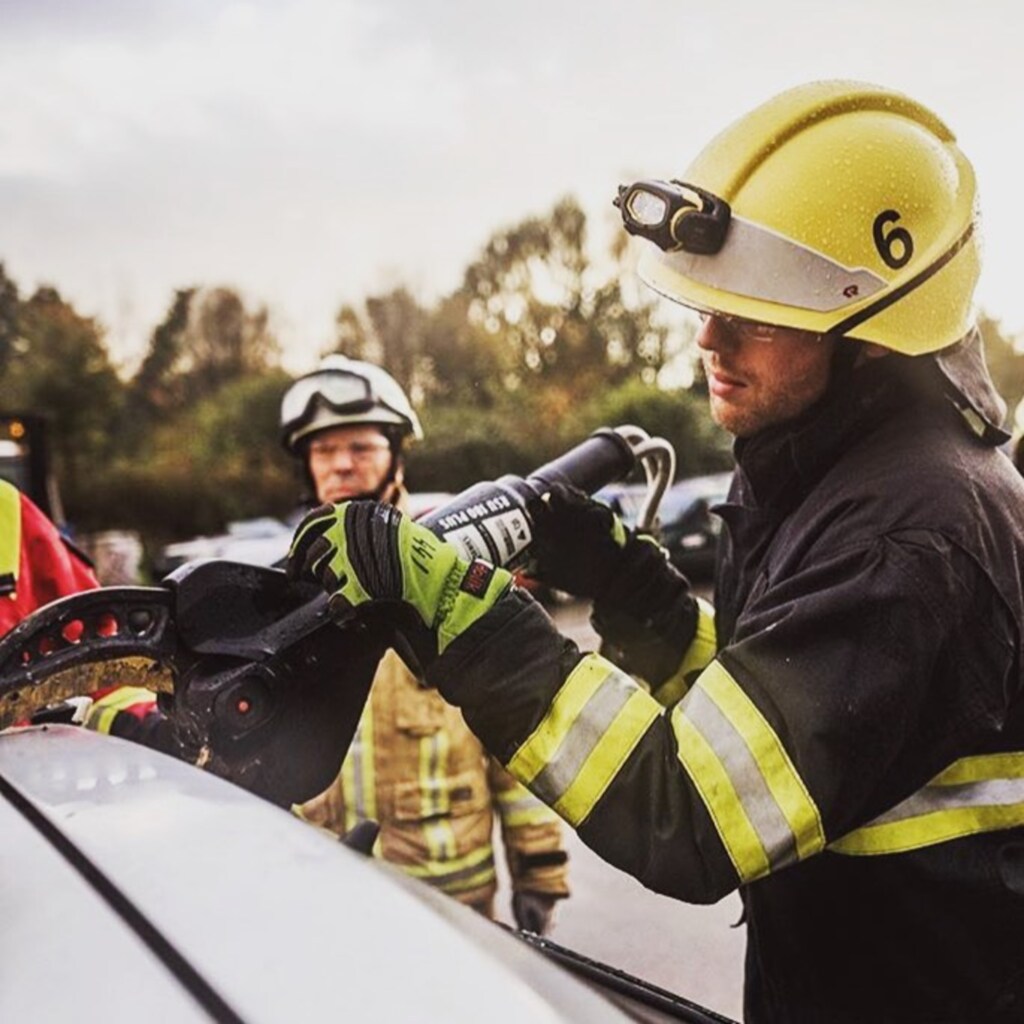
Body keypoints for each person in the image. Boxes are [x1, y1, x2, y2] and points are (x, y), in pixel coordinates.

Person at [288, 82, 1024, 1023]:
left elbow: (694, 814)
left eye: (755, 314)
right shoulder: (837, 470)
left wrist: (472, 626)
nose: (709, 339)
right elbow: (778, 736)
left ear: (872, 338)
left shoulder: (910, 533)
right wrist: (638, 596)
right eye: (709, 305)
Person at [281, 355, 569, 931]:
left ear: (395, 455)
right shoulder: (282, 595)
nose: (340, 464)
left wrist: (539, 868)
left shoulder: (455, 570)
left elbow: (519, 728)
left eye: (360, 447)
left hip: (449, 906)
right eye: (323, 450)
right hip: (324, 903)